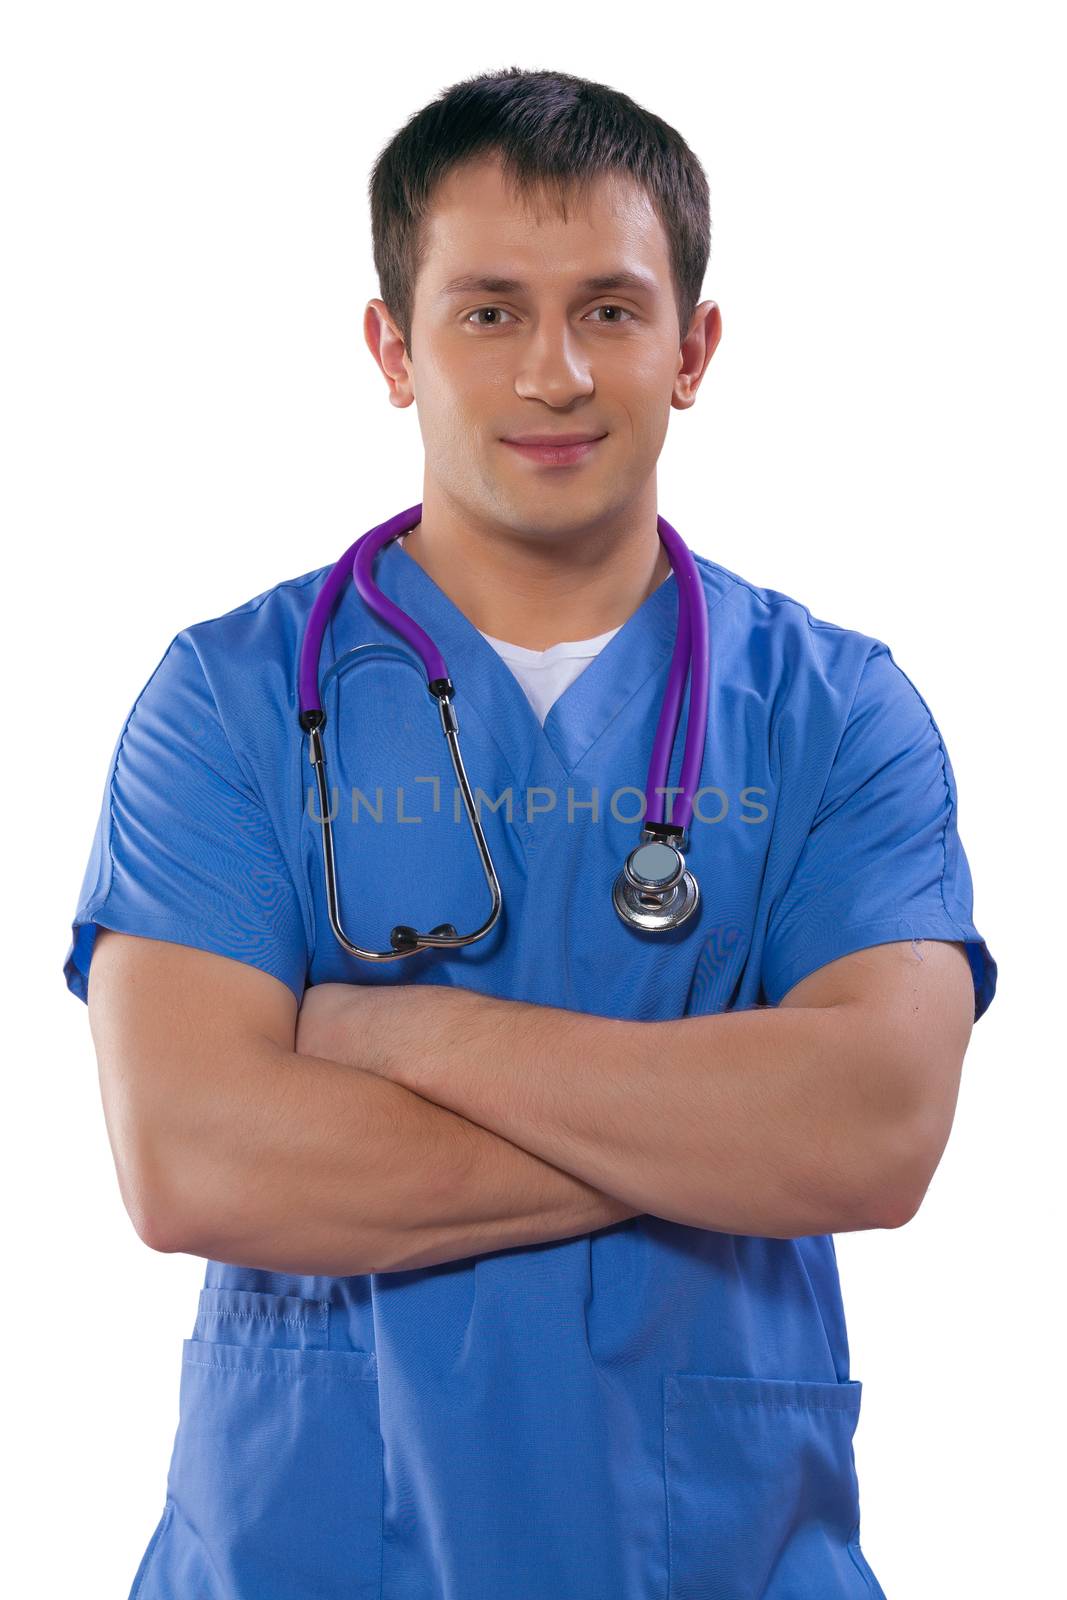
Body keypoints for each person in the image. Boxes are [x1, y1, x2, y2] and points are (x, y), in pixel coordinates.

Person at [64, 66, 997, 1600]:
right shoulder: (228, 705)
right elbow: (193, 1159)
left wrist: (395, 1036)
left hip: (717, 1559)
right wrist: (722, 1136)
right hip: (306, 1561)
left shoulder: (834, 714)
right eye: (488, 310)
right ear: (393, 346)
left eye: (611, 310)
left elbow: (877, 1130)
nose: (552, 373)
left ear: (694, 348)